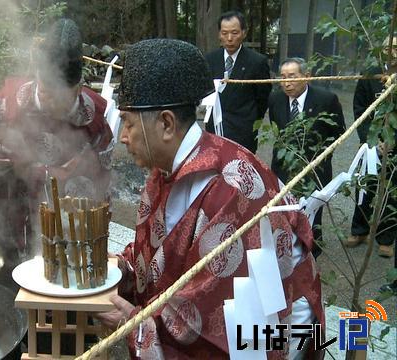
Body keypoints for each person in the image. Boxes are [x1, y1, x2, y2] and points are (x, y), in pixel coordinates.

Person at [96, 39, 324, 359]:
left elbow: (213, 323)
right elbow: (158, 252)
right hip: (210, 308)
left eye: (129, 124)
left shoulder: (231, 189)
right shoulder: (166, 167)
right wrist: (123, 268)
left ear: (165, 124)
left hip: (271, 333)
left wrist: (134, 326)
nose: (122, 136)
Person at [0, 19, 112, 290]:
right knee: (7, 295)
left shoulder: (94, 119)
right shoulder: (12, 101)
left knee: (63, 293)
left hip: (66, 229)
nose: (51, 102)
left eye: (60, 96)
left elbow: (101, 184)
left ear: (78, 89)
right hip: (11, 216)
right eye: (45, 91)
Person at [268, 57, 346, 258]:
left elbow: (339, 131)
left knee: (313, 208)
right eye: (283, 77)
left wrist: (321, 155)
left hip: (315, 166)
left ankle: (312, 250)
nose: (287, 82)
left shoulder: (326, 99)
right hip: (284, 164)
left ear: (307, 76)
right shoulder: (275, 98)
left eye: (292, 77)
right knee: (285, 207)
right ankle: (288, 246)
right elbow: (277, 130)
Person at [345, 36, 397, 260]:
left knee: (392, 192)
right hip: (372, 144)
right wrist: (371, 140)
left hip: (395, 144)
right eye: (388, 47)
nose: (392, 52)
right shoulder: (371, 73)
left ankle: (386, 239)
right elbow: (360, 109)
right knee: (366, 187)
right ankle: (360, 230)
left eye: (396, 48)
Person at [205, 10, 272, 154]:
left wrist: (251, 120)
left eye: (234, 33)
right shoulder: (210, 60)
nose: (229, 38)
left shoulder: (257, 62)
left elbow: (263, 98)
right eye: (224, 33)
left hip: (243, 132)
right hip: (214, 131)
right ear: (219, 34)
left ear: (244, 33)